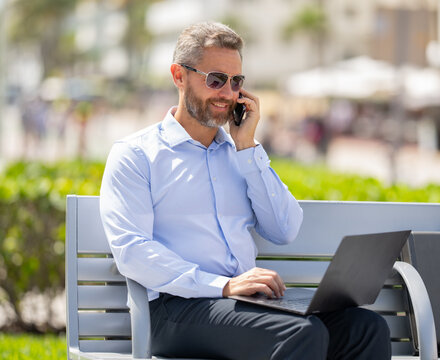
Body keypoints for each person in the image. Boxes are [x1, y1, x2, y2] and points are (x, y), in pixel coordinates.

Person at [100, 21, 391, 360]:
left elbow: (285, 229)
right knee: (300, 335)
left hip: (244, 305)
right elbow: (132, 250)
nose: (228, 93)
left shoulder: (242, 153)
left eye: (236, 81)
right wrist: (221, 286)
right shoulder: (136, 155)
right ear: (179, 76)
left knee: (366, 328)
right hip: (173, 308)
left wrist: (247, 147)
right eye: (215, 79)